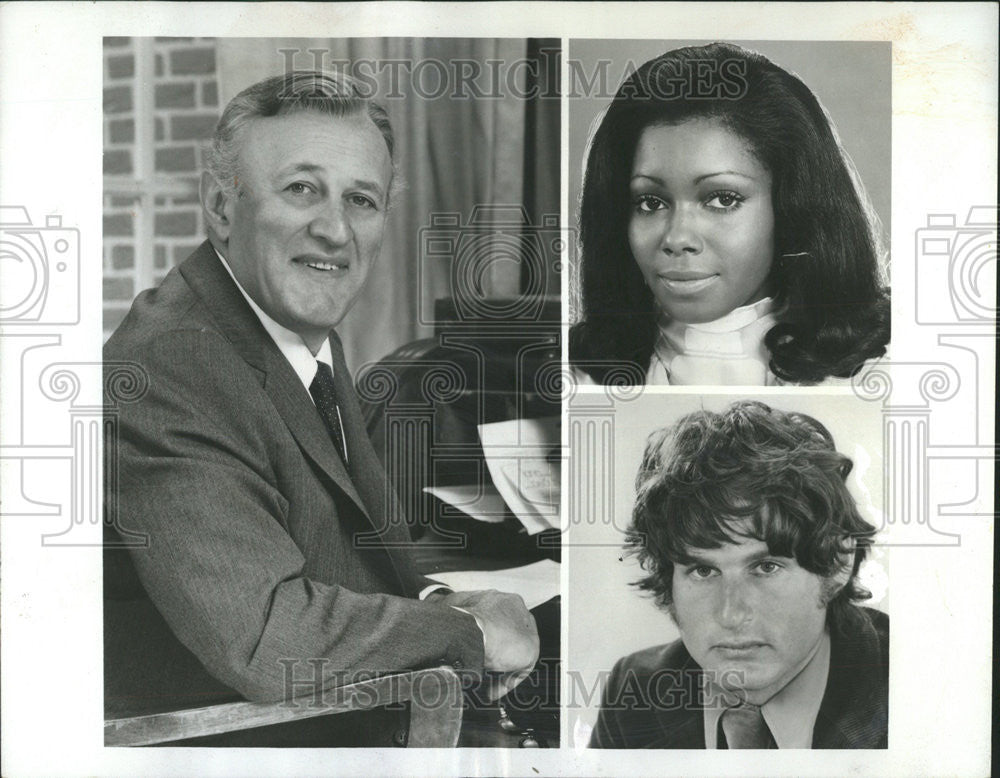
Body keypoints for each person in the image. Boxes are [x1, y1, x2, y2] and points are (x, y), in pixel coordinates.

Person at [103, 70, 538, 747]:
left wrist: (434, 604)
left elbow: (343, 549)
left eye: (361, 200)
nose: (335, 229)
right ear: (222, 206)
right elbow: (266, 637)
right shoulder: (174, 363)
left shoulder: (290, 325)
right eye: (302, 189)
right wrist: (473, 632)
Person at [569, 42, 890, 386]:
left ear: (791, 207)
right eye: (650, 203)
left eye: (722, 199)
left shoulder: (883, 377)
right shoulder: (577, 380)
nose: (677, 238)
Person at [590, 401, 888, 749]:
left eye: (765, 567)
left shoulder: (918, 681)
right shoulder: (635, 688)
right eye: (703, 570)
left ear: (838, 562)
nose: (731, 615)